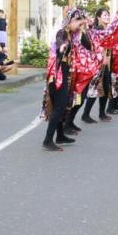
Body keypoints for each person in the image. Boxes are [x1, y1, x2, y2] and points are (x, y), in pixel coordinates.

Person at [41, 9, 86, 150]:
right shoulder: (62, 33)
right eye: (77, 21)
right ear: (70, 21)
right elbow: (59, 40)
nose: (79, 25)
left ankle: (60, 135)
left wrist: (83, 27)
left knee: (63, 106)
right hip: (57, 76)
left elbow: (88, 44)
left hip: (66, 76)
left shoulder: (73, 36)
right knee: (59, 107)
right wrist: (61, 46)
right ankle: (48, 140)